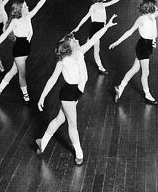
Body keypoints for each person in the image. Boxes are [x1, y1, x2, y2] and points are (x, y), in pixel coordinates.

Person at [35, 15, 118, 165]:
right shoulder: (63, 62)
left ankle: (43, 141)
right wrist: (42, 97)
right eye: (74, 41)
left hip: (77, 92)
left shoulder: (80, 52)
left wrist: (107, 26)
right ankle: (79, 152)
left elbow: (94, 38)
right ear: (69, 48)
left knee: (60, 119)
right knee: (72, 124)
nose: (78, 40)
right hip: (68, 94)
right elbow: (52, 79)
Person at [0, 0, 56, 104]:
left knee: (13, 71)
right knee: (22, 73)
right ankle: (26, 96)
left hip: (27, 49)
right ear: (20, 9)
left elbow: (39, 6)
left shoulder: (28, 17)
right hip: (19, 50)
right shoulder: (15, 22)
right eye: (25, 6)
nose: (27, 7)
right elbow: (4, 36)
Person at [71, 0, 130, 74]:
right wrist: (78, 27)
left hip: (100, 28)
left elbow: (114, 1)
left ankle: (74, 58)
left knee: (87, 46)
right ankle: (100, 67)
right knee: (95, 49)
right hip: (95, 29)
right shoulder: (93, 7)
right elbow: (86, 17)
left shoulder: (102, 5)